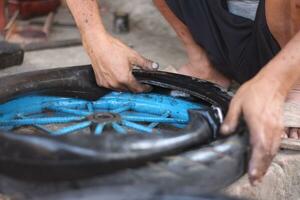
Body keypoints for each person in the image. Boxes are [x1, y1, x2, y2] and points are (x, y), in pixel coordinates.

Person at [66, 0, 300, 185]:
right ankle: (202, 60)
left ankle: (295, 85)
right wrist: (93, 35)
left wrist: (275, 83)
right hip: (219, 30)